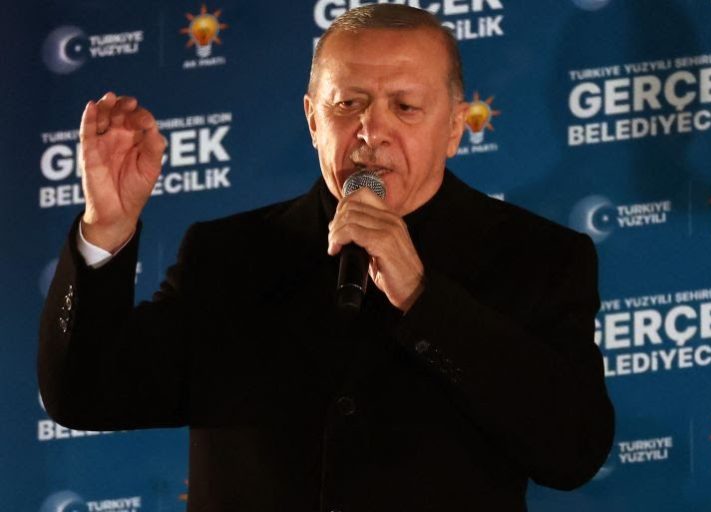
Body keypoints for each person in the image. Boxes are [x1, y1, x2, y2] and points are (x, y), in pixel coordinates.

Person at [39, 5, 614, 511]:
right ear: (314, 119)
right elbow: (85, 395)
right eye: (348, 104)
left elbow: (573, 452)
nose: (372, 131)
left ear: (455, 128)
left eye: (406, 106)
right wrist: (106, 227)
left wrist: (424, 299)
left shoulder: (538, 258)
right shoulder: (227, 256)